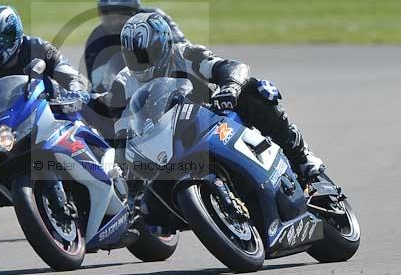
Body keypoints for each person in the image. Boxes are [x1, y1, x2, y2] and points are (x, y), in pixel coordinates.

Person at [103, 12, 325, 182]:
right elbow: (121, 127)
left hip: (214, 121)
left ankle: (302, 156)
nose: (140, 62)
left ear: (163, 45)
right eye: (132, 56)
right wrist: (121, 162)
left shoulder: (185, 54)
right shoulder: (124, 81)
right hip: (165, 149)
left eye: (145, 54)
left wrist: (230, 87)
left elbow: (231, 67)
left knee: (255, 90)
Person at [0, 5, 89, 209]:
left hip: (58, 114)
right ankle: (38, 205)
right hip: (17, 131)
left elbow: (69, 74)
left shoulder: (37, 47)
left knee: (97, 128)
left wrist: (77, 91)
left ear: (9, 36)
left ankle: (115, 173)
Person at [84, 0, 187, 93]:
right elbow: (98, 86)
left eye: (121, 13)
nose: (114, 20)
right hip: (128, 96)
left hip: (169, 83)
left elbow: (184, 50)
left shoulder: (156, 19)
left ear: (135, 11)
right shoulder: (96, 40)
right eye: (107, 12)